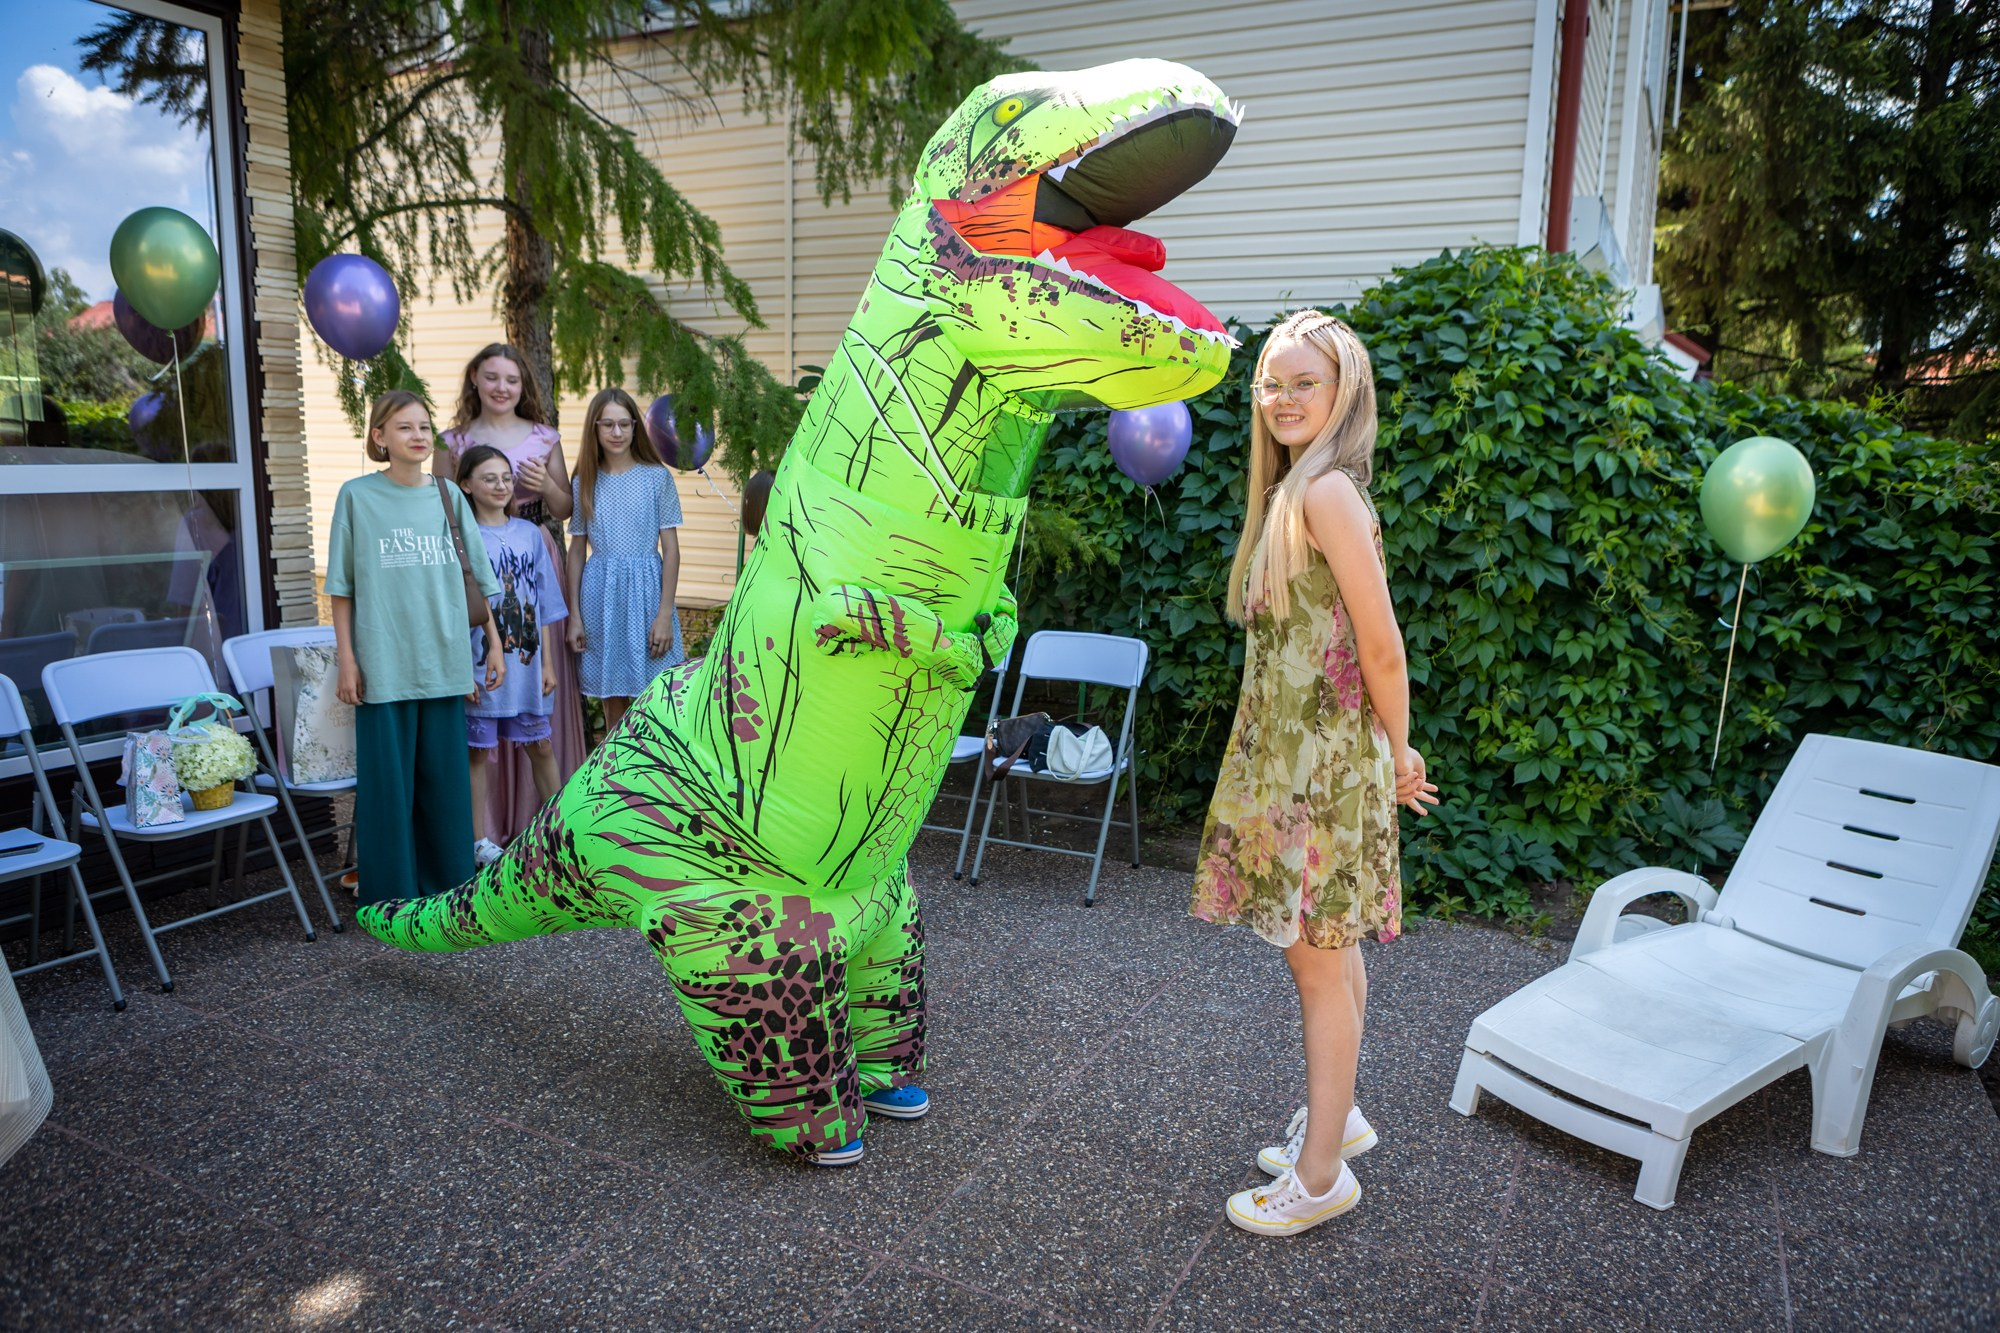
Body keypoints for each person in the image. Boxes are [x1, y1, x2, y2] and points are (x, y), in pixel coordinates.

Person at [1190, 310, 1440, 1237]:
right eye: (1273, 382)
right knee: (1332, 953)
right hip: (1296, 760)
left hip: (1321, 771)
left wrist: (1398, 750)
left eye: (1305, 382)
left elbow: (1383, 648)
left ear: (1344, 395)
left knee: (1318, 968)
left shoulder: (1328, 492)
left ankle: (1322, 1170)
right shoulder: (1296, 492)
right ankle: (1343, 1118)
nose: (1284, 398)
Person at [328, 390, 504, 908]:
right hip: (384, 663)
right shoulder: (356, 496)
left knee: (443, 786)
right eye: (404, 427)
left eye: (425, 426)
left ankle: (447, 889)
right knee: (388, 790)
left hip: (444, 660)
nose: (419, 435)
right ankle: (391, 894)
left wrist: (493, 645)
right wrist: (348, 660)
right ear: (379, 437)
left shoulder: (449, 496)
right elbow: (342, 588)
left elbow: (478, 581)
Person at [436, 343, 587, 836]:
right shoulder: (453, 439)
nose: (503, 388)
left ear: (524, 387)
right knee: (479, 724)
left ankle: (544, 823)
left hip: (529, 556)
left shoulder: (544, 436)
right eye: (493, 377)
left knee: (533, 706)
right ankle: (484, 832)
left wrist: (545, 484)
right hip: (475, 566)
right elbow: (438, 510)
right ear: (475, 379)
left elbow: (566, 509)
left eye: (513, 380)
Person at [457, 444, 568, 866]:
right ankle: (478, 841)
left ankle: (559, 829)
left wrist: (551, 664)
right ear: (466, 484)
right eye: (489, 478)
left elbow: (544, 601)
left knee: (540, 744)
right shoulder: (464, 539)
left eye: (506, 477)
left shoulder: (531, 534)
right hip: (482, 662)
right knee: (477, 752)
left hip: (527, 663)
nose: (501, 485)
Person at [567, 387, 685, 733]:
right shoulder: (584, 481)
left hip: (648, 595)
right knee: (612, 695)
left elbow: (672, 550)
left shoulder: (656, 477)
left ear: (636, 427)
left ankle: (653, 775)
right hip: (601, 597)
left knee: (655, 696)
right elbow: (577, 549)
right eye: (607, 425)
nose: (616, 433)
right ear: (595, 429)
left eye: (624, 424)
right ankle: (615, 776)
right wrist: (575, 614)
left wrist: (665, 613)